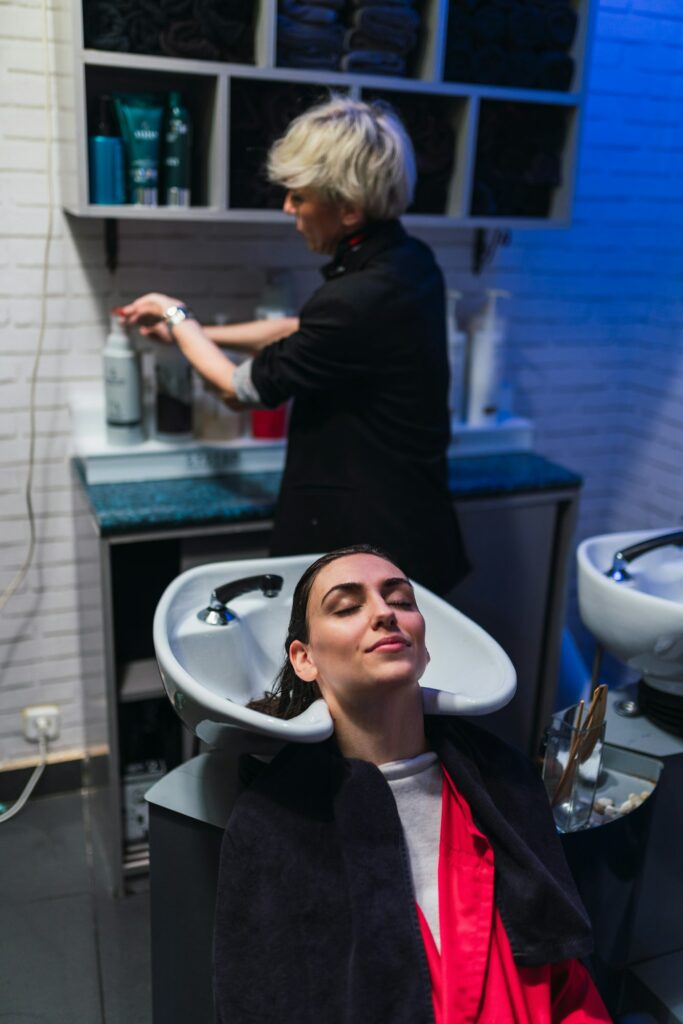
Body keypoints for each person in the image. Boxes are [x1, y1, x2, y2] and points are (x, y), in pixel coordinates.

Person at [213, 545, 612, 1024]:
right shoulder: (271, 823)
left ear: (424, 649)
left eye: (401, 601)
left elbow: (563, 973)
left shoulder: (503, 784)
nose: (384, 613)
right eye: (346, 606)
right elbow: (256, 1001)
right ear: (304, 659)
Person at [121, 95, 469, 596]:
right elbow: (301, 329)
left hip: (373, 549)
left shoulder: (356, 298)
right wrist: (194, 330)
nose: (289, 208)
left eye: (299, 198)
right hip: (415, 523)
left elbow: (235, 389)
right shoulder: (407, 263)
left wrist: (176, 315)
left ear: (348, 209)